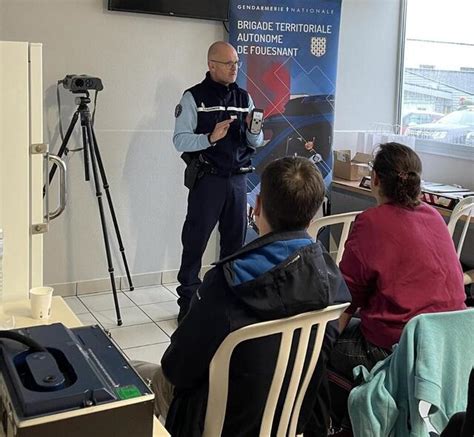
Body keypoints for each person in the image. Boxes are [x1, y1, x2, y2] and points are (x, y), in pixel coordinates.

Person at [135, 157, 351, 437]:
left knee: (134, 372)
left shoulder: (225, 283)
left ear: (257, 206)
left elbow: (178, 369)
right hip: (292, 418)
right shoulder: (331, 280)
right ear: (313, 214)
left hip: (218, 422)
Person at [328, 142, 467, 432]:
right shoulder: (434, 217)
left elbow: (345, 300)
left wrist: (320, 342)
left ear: (375, 179)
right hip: (448, 345)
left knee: (320, 350)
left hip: (400, 348)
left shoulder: (370, 222)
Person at [173, 41, 264, 322]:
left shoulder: (244, 98)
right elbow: (179, 140)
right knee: (195, 241)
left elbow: (256, 141)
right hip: (208, 181)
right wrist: (209, 138)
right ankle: (188, 301)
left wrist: (252, 132)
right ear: (212, 65)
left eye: (237, 63)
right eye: (228, 63)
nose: (234, 68)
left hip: (238, 181)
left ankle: (227, 301)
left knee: (234, 245)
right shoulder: (193, 97)